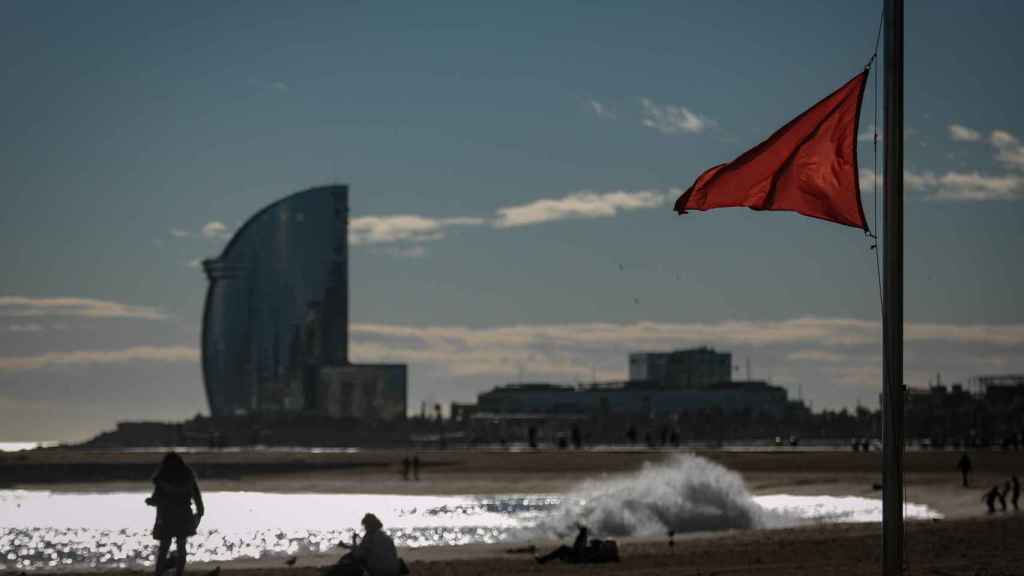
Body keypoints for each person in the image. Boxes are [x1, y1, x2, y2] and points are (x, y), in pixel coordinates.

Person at [146, 452, 204, 576]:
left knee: (164, 547)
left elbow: (157, 499)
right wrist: (200, 511)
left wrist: (150, 501)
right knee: (181, 546)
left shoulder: (162, 477)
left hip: (167, 516)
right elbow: (197, 496)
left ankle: (159, 572)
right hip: (184, 515)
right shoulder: (187, 476)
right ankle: (178, 573)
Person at [332, 514, 401, 576]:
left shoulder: (370, 535)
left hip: (379, 571)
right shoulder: (385, 536)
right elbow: (366, 549)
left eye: (365, 525)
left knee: (350, 562)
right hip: (393, 570)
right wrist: (349, 546)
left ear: (368, 525)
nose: (364, 527)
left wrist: (352, 542)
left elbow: (358, 554)